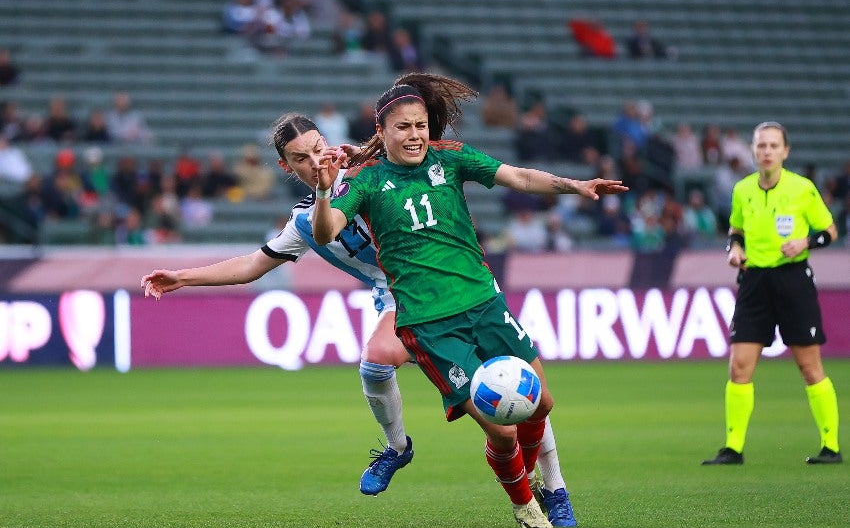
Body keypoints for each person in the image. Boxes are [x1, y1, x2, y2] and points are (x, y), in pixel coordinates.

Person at [143, 113, 577, 505]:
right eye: (300, 158)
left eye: (317, 148)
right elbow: (251, 266)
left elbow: (411, 137)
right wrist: (183, 277)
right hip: (401, 297)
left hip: (457, 281)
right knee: (378, 362)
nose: (314, 161)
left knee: (523, 387)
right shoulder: (306, 222)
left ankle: (554, 487)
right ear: (286, 168)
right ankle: (398, 448)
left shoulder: (366, 171)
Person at [311, 73, 627, 528]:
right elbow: (325, 231)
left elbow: (517, 176)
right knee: (500, 428)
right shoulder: (363, 181)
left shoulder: (451, 157)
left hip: (484, 301)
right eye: (403, 127)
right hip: (429, 323)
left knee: (541, 404)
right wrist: (322, 190)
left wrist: (573, 185)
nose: (415, 135)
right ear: (382, 132)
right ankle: (525, 503)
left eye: (420, 125)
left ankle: (548, 487)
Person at [702, 121, 841, 466]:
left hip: (793, 281)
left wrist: (805, 242)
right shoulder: (743, 189)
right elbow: (736, 231)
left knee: (810, 368)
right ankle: (732, 448)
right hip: (754, 282)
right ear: (753, 150)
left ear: (785, 152)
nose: (767, 152)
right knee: (739, 368)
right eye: (761, 145)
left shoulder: (802, 189)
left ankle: (831, 447)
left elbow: (830, 231)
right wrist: (733, 250)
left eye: (773, 146)